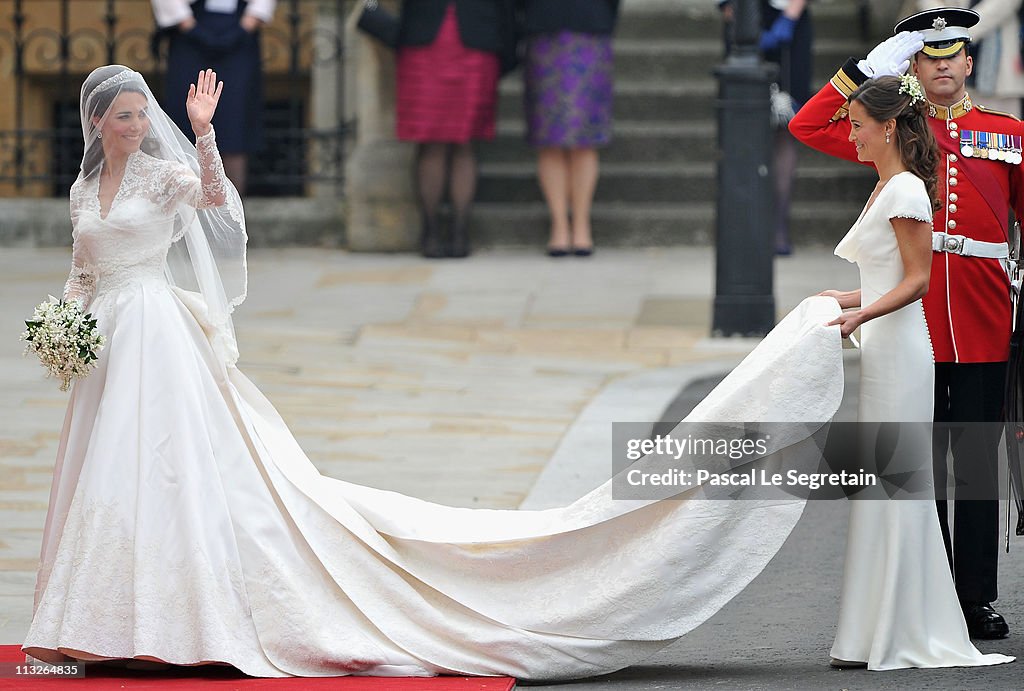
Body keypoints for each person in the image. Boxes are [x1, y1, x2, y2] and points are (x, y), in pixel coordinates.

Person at [18, 65, 1014, 677]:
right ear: (94, 126)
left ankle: (924, 615)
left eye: (134, 114)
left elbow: (215, 209)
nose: (128, 125)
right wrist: (68, 318)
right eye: (118, 117)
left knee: (908, 474)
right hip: (118, 342)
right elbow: (81, 258)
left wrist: (201, 134)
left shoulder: (911, 187)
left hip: (915, 340)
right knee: (116, 481)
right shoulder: (86, 187)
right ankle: (104, 610)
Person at [790, 7, 1024, 640]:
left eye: (954, 54)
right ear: (914, 68)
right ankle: (932, 590)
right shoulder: (900, 134)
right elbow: (808, 125)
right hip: (913, 320)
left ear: (970, 62)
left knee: (974, 465)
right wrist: (864, 69)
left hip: (980, 317)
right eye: (929, 56)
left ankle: (973, 596)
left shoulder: (1008, 132)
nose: (944, 64)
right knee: (919, 464)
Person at [396, 0, 517, 259]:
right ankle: (429, 230)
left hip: (477, 47)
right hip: (424, 46)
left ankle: (460, 231)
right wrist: (371, 12)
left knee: (465, 142)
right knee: (431, 141)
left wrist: (507, 51)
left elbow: (507, 8)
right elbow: (371, 2)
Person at [517, 0, 620, 257]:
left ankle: (582, 224)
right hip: (544, 32)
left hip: (590, 30)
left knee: (585, 137)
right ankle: (559, 225)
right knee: (548, 137)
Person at [151, 0, 275, 196]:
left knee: (234, 127)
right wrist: (192, 29)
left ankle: (231, 213)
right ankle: (186, 211)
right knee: (186, 124)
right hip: (189, 40)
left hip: (239, 42)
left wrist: (242, 30)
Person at [719, 0, 813, 255]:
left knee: (785, 128)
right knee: (743, 128)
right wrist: (740, 23)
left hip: (790, 25)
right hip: (743, 26)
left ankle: (778, 228)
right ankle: (745, 226)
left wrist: (791, 16)